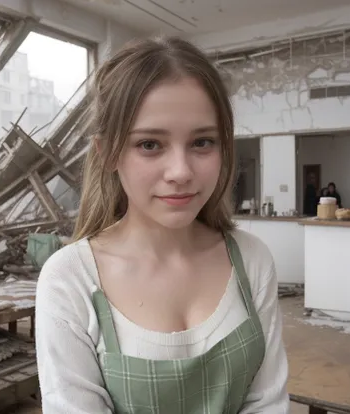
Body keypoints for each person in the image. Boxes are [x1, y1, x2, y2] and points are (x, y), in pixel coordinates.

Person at [34, 36, 290, 413]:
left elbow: (267, 403)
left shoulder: (251, 260)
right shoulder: (70, 279)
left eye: (202, 142)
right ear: (108, 154)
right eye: (150, 145)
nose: (181, 172)